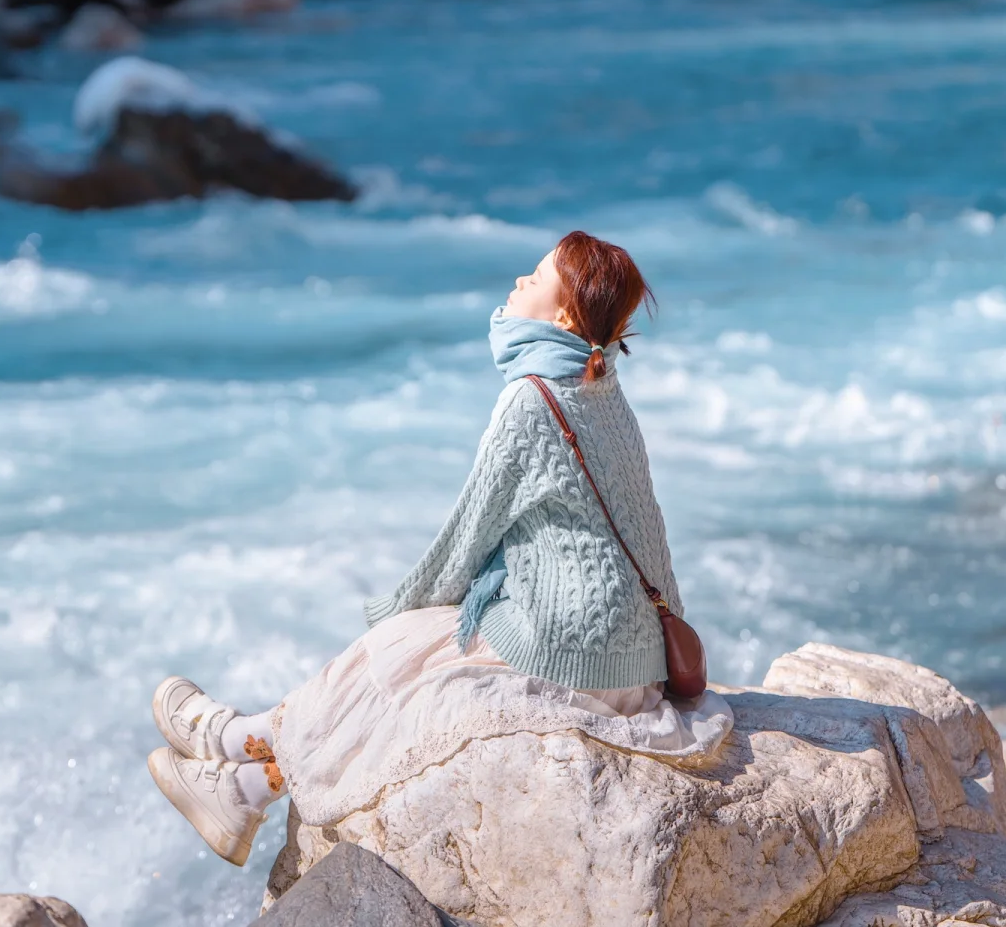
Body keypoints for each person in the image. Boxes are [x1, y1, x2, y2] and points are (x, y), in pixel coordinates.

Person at [145, 230, 731, 867]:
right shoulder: (605, 389)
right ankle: (243, 774)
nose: (517, 283)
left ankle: (238, 759)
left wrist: (401, 614)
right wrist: (667, 647)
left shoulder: (531, 399)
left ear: (562, 315)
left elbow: (468, 536)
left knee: (398, 655)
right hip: (633, 657)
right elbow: (648, 526)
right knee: (417, 662)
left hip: (574, 649)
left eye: (534, 278)